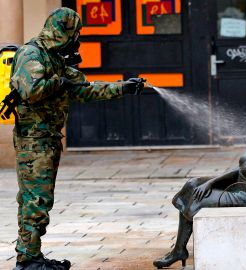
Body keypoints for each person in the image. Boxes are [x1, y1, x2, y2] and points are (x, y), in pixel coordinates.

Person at [10, 8, 145, 270]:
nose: (77, 39)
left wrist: (123, 87)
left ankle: (31, 256)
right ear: (63, 32)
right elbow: (30, 90)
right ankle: (28, 261)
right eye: (75, 34)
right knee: (35, 200)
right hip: (33, 141)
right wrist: (60, 82)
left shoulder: (56, 58)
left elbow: (84, 90)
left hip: (47, 139)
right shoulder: (31, 53)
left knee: (39, 200)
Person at [153, 110, 246, 269]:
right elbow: (240, 170)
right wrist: (211, 182)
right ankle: (179, 249)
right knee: (193, 184)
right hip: (238, 186)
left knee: (195, 198)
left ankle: (178, 250)